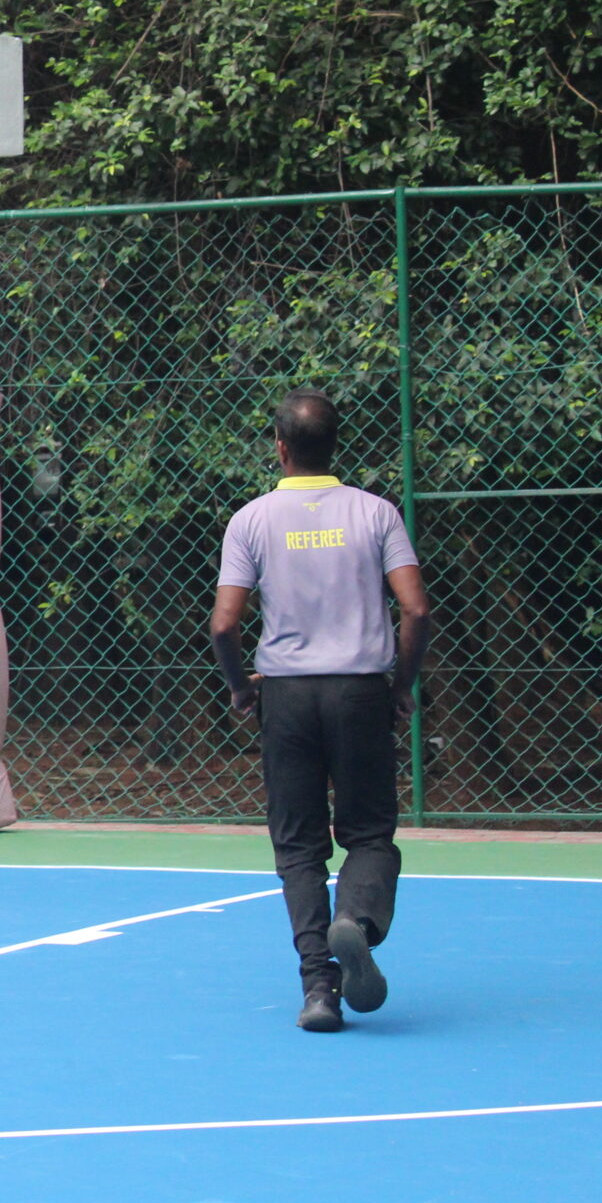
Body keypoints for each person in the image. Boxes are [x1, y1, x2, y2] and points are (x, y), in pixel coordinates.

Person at [210, 390, 433, 1034]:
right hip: (360, 689)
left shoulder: (251, 520)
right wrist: (401, 686)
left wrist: (241, 688)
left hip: (286, 695)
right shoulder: (376, 513)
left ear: (280, 447)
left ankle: (319, 991)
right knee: (367, 835)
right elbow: (416, 610)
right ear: (336, 445)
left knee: (298, 846)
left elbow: (225, 624)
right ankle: (355, 922)